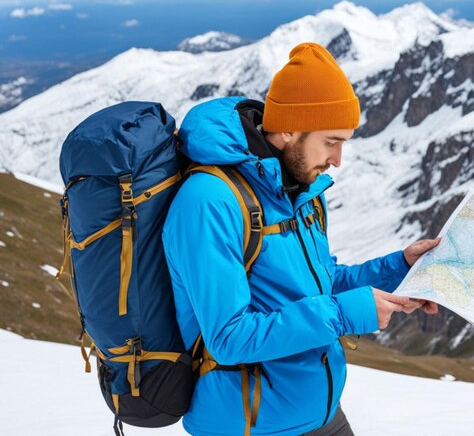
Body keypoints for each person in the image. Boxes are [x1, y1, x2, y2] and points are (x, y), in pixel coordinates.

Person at [162, 42, 439, 436]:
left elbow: (323, 283)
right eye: (331, 141)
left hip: (317, 413)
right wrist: (345, 313)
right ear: (289, 128)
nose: (338, 159)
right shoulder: (210, 201)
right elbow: (228, 338)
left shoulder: (300, 189)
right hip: (247, 424)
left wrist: (401, 268)